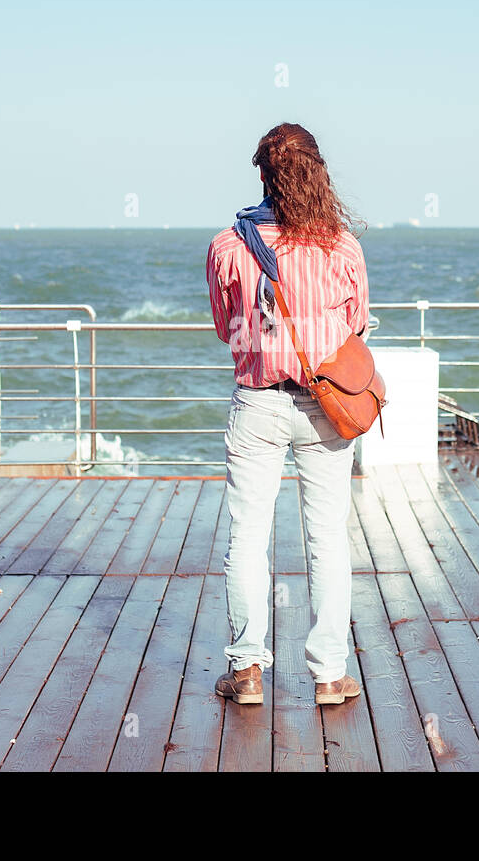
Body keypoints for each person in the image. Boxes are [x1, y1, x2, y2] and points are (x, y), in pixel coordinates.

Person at [205, 122, 370, 707]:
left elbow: (228, 329)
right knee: (326, 538)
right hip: (326, 406)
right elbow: (354, 329)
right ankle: (328, 676)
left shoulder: (229, 245)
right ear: (318, 173)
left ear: (262, 175)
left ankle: (247, 671)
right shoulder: (341, 246)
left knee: (247, 535)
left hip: (257, 403)